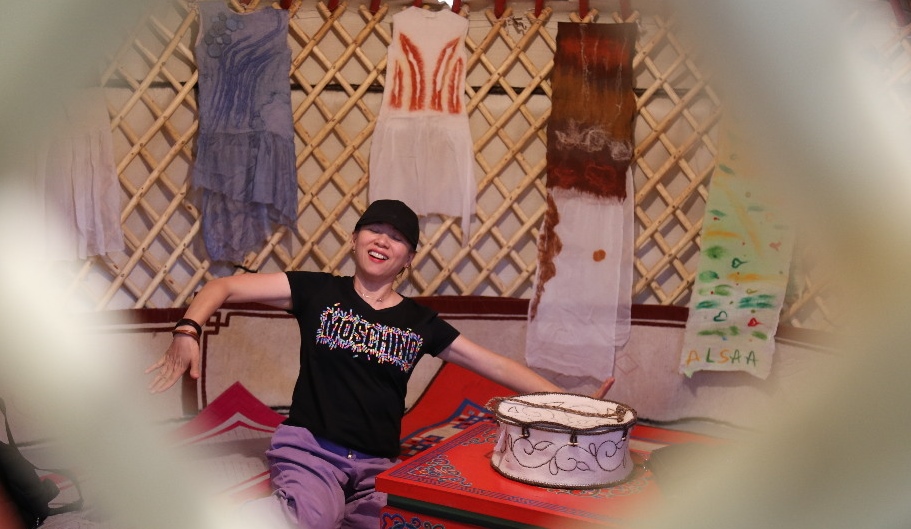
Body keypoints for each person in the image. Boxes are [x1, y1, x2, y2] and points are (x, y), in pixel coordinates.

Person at [145, 199, 577, 529]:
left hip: (377, 465)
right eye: (374, 229)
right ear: (354, 239)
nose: (383, 240)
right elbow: (223, 287)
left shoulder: (419, 322)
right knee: (316, 516)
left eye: (397, 237)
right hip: (312, 448)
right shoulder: (317, 291)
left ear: (409, 258)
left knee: (405, 522)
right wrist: (187, 330)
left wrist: (571, 404)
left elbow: (495, 365)